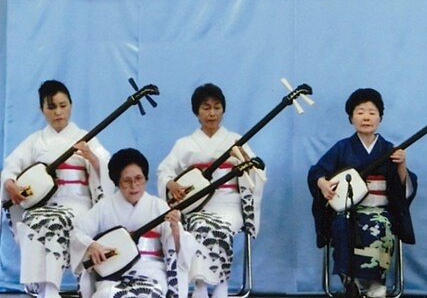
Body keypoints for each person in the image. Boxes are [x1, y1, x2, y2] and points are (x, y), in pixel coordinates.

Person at [1, 80, 113, 298]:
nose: (58, 112)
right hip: (47, 203)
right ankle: (44, 288)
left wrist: (91, 158)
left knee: (56, 220)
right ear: (42, 110)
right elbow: (10, 167)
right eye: (51, 107)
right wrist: (10, 184)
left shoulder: (84, 136)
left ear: (71, 105)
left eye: (63, 105)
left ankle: (50, 289)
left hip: (78, 201)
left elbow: (107, 164)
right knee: (34, 220)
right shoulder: (36, 141)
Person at [157, 83, 266, 298]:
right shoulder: (184, 144)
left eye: (217, 107)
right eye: (206, 108)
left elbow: (258, 174)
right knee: (198, 223)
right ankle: (201, 285)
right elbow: (164, 172)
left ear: (223, 110)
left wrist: (245, 160)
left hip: (230, 203)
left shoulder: (235, 141)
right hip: (198, 205)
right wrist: (172, 185)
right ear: (196, 112)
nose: (212, 113)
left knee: (216, 226)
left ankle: (219, 283)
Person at [307, 88, 417, 298]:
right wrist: (322, 183)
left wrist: (402, 164)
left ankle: (375, 285)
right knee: (341, 224)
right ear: (351, 118)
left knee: (379, 225)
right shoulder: (342, 147)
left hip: (380, 210)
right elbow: (317, 171)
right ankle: (350, 282)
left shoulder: (389, 149)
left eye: (372, 112)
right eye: (360, 112)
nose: (366, 117)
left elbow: (404, 187)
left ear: (380, 118)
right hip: (349, 208)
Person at [71, 148, 196, 297]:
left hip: (151, 271)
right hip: (113, 273)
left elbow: (179, 250)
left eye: (139, 178)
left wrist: (175, 228)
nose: (134, 185)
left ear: (146, 178)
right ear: (117, 181)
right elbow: (77, 232)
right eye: (126, 180)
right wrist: (92, 246)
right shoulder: (104, 206)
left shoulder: (159, 206)